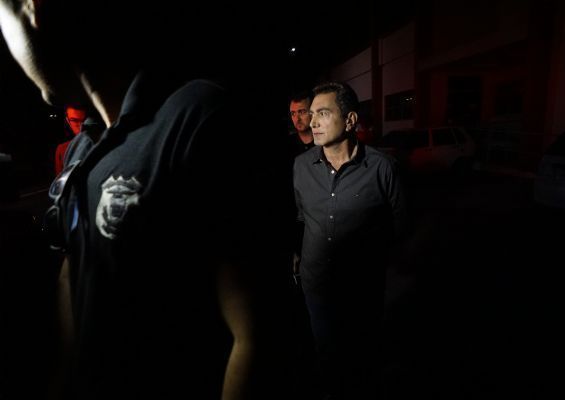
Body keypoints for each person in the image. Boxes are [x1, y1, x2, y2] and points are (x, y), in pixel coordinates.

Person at [0, 1, 283, 398]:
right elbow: (74, 268)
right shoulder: (83, 148)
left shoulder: (197, 118)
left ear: (34, 10)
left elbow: (258, 335)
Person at [293, 81, 408, 399]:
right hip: (316, 284)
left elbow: (400, 225)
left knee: (362, 358)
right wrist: (296, 252)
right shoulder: (300, 167)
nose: (313, 122)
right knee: (327, 356)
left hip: (362, 289)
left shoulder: (383, 168)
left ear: (350, 120)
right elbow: (301, 217)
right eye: (311, 114)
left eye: (323, 113)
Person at [54, 105, 87, 175]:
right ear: (68, 121)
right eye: (75, 121)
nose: (81, 126)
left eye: (84, 120)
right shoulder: (62, 150)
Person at [288, 90, 315, 158]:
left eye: (302, 112)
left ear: (312, 112)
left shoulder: (324, 142)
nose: (297, 119)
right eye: (293, 113)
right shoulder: (288, 144)